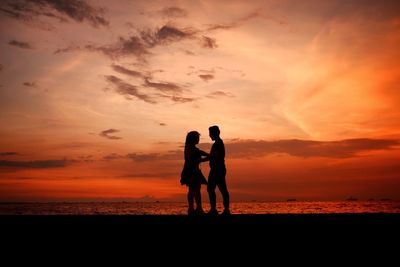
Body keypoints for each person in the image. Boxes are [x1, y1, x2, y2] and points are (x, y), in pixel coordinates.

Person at [180, 131, 209, 215]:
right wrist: (205, 158)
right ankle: (197, 209)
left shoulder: (191, 147)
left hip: (192, 170)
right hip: (192, 171)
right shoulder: (189, 148)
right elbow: (192, 160)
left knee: (193, 189)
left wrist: (208, 155)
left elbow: (200, 152)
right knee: (195, 189)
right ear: (193, 139)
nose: (198, 139)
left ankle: (193, 209)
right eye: (197, 138)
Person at [207, 125, 230, 215]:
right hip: (218, 169)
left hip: (217, 169)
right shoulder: (218, 143)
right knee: (221, 189)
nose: (209, 135)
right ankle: (224, 209)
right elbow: (213, 156)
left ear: (215, 133)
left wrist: (203, 158)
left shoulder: (218, 144)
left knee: (212, 188)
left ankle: (215, 209)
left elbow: (214, 156)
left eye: (210, 133)